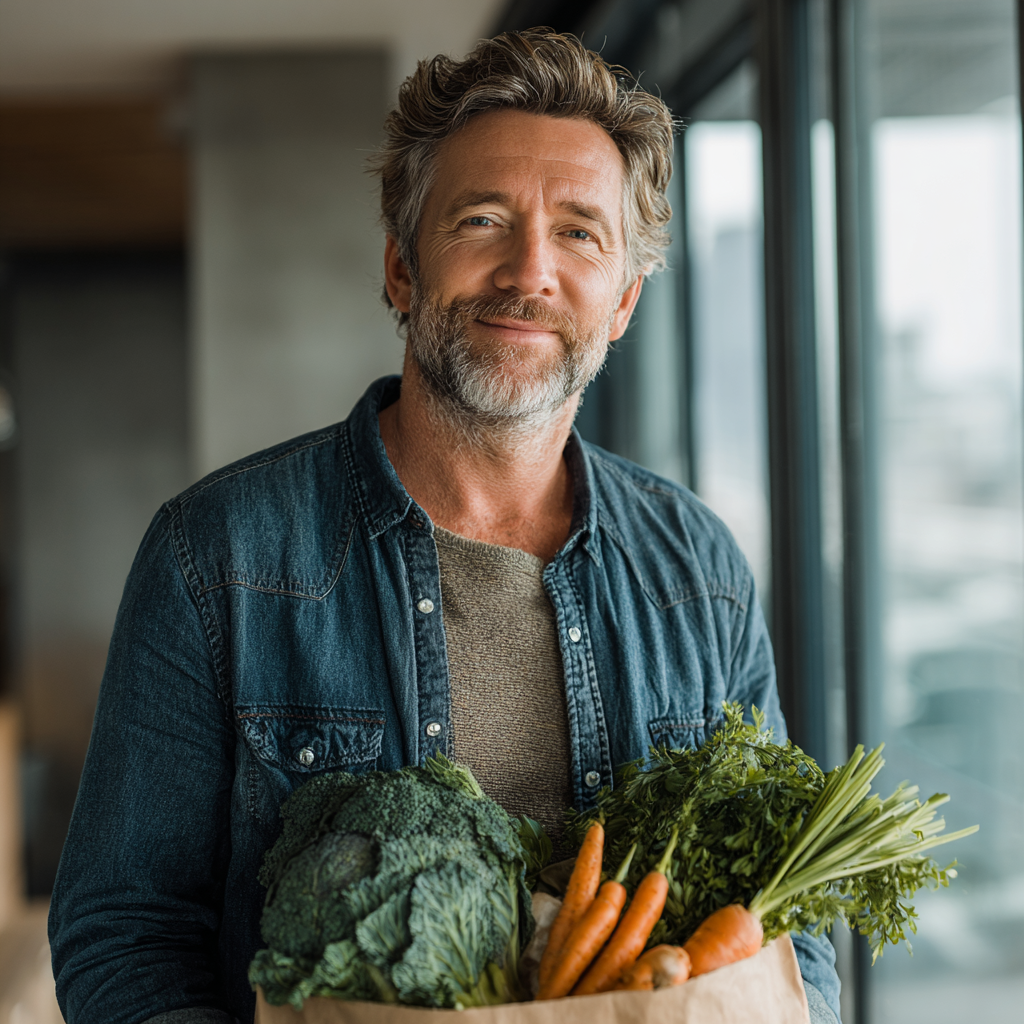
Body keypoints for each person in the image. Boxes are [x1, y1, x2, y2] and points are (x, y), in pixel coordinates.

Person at [49, 28, 842, 1024]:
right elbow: (122, 929)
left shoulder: (699, 569)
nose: (528, 271)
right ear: (400, 269)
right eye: (481, 219)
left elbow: (793, 917)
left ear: (625, 300)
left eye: (581, 234)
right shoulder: (216, 557)